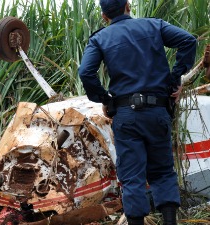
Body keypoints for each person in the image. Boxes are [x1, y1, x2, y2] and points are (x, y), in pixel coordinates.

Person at [78, 1, 196, 225]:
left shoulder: (100, 38)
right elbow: (188, 41)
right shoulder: (154, 26)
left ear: (104, 16)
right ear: (128, 6)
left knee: (132, 177)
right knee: (162, 171)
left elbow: (85, 72)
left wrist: (104, 98)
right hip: (158, 111)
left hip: (126, 116)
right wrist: (174, 80)